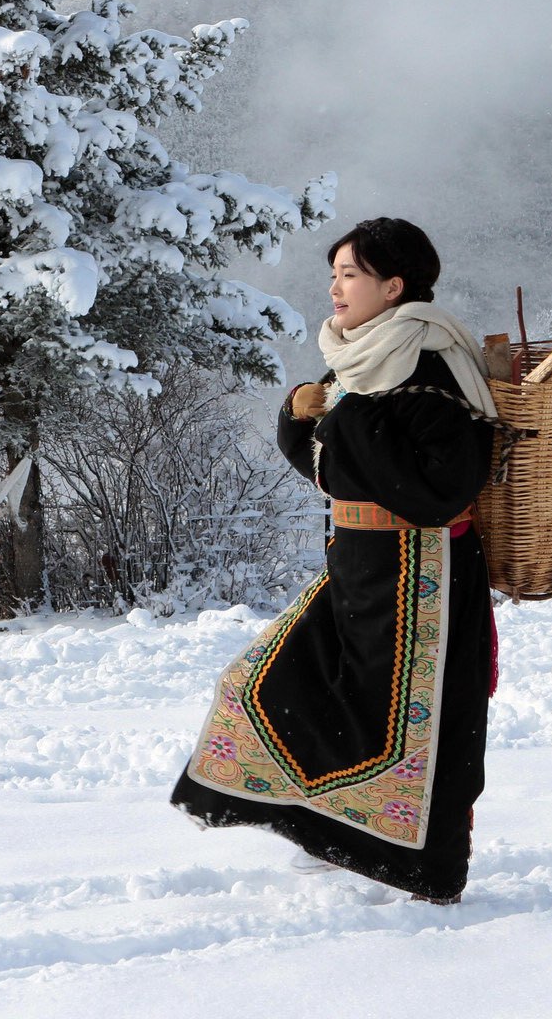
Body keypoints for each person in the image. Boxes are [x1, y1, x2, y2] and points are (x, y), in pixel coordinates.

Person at [169, 216, 498, 905]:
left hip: (425, 575)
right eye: (335, 272)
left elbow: (442, 487)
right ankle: (332, 829)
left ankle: (414, 863)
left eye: (350, 273)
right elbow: (332, 470)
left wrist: (346, 423)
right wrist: (298, 417)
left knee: (420, 728)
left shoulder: (432, 362)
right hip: (356, 566)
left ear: (393, 285)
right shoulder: (355, 356)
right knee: (268, 687)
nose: (335, 287)